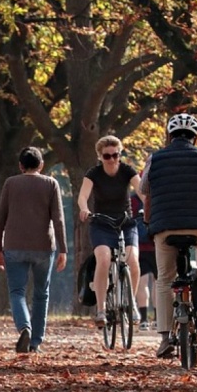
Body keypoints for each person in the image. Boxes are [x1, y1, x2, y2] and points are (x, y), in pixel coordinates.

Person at [139, 113, 197, 359]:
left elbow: (146, 194)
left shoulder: (154, 159)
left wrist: (148, 221)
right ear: (195, 137)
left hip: (166, 227)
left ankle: (165, 338)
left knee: (164, 279)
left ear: (169, 135)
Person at [0, 147, 68, 354]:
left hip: (14, 245)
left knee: (17, 292)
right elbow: (58, 219)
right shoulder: (51, 184)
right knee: (41, 294)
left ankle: (24, 326)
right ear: (41, 165)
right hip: (43, 246)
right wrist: (63, 249)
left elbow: (0, 219)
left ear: (20, 166)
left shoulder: (10, 183)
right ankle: (35, 341)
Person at [78, 135, 143, 329]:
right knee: (104, 259)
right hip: (102, 223)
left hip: (126, 222)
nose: (112, 160)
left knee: (133, 261)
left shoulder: (127, 171)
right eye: (107, 156)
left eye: (116, 155)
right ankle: (101, 309)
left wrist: (149, 207)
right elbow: (83, 196)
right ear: (100, 157)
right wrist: (84, 209)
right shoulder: (94, 173)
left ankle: (131, 303)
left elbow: (142, 191)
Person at [130, 195, 157, 331]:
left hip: (139, 247)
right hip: (157, 245)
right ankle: (158, 318)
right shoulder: (157, 195)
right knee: (159, 283)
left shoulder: (133, 200)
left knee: (142, 283)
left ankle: (144, 319)